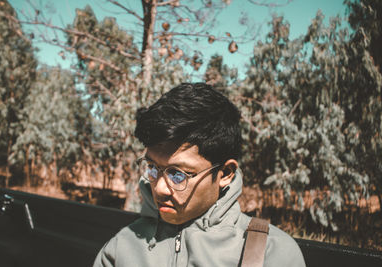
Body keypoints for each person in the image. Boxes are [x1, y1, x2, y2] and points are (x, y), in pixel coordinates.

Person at [93, 83, 306, 267]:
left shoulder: (270, 254)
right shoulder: (121, 249)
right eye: (152, 168)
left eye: (178, 175)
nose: (159, 188)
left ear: (225, 173)